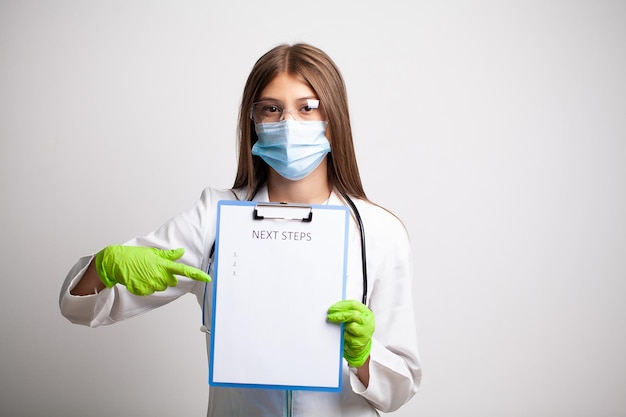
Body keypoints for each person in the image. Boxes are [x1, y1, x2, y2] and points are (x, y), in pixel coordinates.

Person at [59, 43, 421, 416]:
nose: (288, 124)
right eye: (271, 108)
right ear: (253, 120)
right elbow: (78, 307)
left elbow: (401, 385)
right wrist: (103, 267)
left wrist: (364, 356)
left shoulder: (378, 232)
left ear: (335, 118)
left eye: (307, 107)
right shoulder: (214, 217)